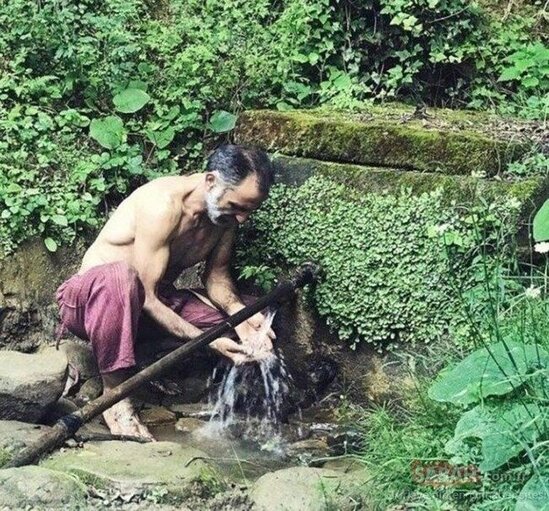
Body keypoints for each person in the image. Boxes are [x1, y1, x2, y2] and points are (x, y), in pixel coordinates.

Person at [55, 144, 276, 439]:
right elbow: (144, 294)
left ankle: (140, 351)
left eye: (249, 210)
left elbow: (218, 278)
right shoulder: (162, 205)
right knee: (121, 277)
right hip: (92, 304)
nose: (242, 219)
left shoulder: (223, 219)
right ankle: (115, 395)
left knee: (258, 312)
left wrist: (241, 318)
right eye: (237, 207)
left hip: (150, 306)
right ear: (211, 181)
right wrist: (207, 341)